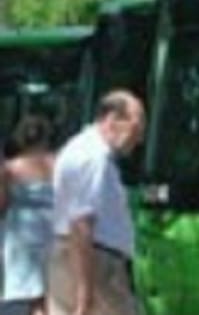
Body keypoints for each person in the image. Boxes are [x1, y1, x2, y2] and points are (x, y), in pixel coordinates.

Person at [45, 90, 145, 315]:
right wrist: (85, 291)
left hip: (73, 258)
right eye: (136, 128)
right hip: (96, 262)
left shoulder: (79, 148)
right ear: (113, 119)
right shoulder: (94, 158)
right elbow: (81, 224)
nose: (139, 139)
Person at [0, 115, 56, 315]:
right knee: (48, 293)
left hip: (21, 233)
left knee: (27, 294)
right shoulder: (59, 164)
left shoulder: (10, 168)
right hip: (52, 229)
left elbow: (2, 202)